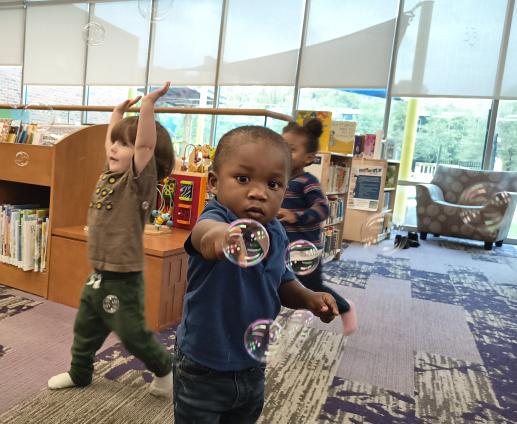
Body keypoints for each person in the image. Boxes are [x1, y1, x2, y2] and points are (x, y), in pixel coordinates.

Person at [173, 125, 339, 423]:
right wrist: (225, 238)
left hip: (253, 361)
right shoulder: (217, 217)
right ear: (214, 182)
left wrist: (310, 298)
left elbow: (282, 281)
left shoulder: (275, 230)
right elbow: (204, 236)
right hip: (202, 365)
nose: (259, 193)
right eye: (243, 179)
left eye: (273, 184)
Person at [48, 82, 174, 398]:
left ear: (147, 158)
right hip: (99, 275)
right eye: (114, 142)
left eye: (123, 145)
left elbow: (144, 146)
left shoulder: (137, 181)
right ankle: (80, 372)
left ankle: (165, 367)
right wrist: (116, 115)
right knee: (85, 329)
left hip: (123, 279)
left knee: (131, 333)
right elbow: (112, 143)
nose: (113, 148)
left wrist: (147, 106)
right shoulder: (111, 173)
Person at [277, 119, 358, 336]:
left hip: (305, 250)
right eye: (282, 147)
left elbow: (323, 209)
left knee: (314, 287)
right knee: (278, 280)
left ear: (309, 158)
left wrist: (296, 216)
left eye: (292, 150)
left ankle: (344, 307)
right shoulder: (277, 178)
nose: (284, 153)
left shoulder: (307, 181)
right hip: (281, 246)